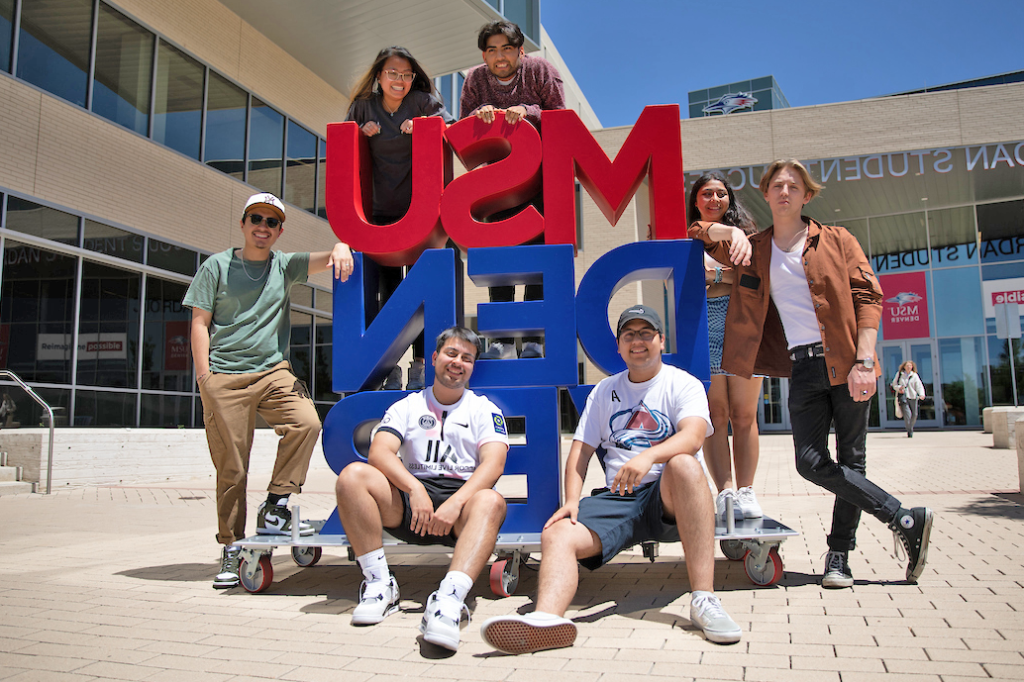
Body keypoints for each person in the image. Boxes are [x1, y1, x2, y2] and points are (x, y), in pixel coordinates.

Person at [691, 159, 934, 589]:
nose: (785, 192)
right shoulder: (757, 247)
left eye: (794, 186)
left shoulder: (838, 240)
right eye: (776, 186)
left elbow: (868, 295)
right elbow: (697, 237)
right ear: (765, 195)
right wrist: (723, 231)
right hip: (802, 365)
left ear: (807, 195)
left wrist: (864, 359)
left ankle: (839, 555)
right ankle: (902, 517)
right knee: (809, 463)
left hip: (848, 363)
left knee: (851, 460)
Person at [480, 305, 742, 652]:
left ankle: (704, 600)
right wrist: (571, 502)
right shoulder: (605, 391)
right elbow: (580, 453)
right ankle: (546, 621)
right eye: (629, 335)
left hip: (670, 498)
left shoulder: (683, 384)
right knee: (558, 532)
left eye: (646, 333)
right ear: (618, 347)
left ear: (661, 341)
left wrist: (648, 455)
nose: (638, 341)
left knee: (684, 465)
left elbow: (694, 437)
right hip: (618, 497)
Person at [184, 192, 354, 589]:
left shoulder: (284, 265)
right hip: (224, 377)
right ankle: (231, 545)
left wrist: (342, 246)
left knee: (307, 422)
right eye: (256, 219)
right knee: (232, 469)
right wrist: (204, 378)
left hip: (274, 372)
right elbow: (198, 323)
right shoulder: (217, 266)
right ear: (243, 224)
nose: (263, 227)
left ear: (279, 231)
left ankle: (275, 502)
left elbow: (330, 255)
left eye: (272, 222)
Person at [334, 326, 509, 651]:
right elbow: (380, 452)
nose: (458, 362)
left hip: (460, 510)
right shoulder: (408, 405)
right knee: (352, 476)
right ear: (434, 358)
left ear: (472, 366)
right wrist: (414, 490)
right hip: (409, 505)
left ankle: (448, 601)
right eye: (451, 354)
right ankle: (379, 585)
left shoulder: (484, 409)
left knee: (491, 501)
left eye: (467, 358)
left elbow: (493, 465)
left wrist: (456, 503)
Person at [347, 46, 455, 390]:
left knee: (424, 294)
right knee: (389, 295)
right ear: (379, 75)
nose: (400, 80)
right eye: (393, 73)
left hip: (422, 213)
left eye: (406, 74)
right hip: (380, 215)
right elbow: (342, 145)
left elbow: (451, 129)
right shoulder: (364, 105)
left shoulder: (422, 101)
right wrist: (357, 135)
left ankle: (421, 367)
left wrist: (428, 126)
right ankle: (388, 367)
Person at [459, 20, 565, 360]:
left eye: (507, 48)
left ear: (520, 49)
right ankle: (503, 340)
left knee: (537, 257)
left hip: (541, 177)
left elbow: (560, 116)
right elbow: (464, 123)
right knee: (501, 258)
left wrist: (528, 110)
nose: (500, 56)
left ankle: (533, 338)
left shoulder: (540, 71)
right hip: (499, 180)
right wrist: (480, 113)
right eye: (492, 50)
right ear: (483, 54)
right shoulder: (475, 79)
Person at [686, 172, 763, 520]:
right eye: (707, 193)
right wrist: (727, 270)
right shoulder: (690, 233)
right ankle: (726, 492)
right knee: (716, 416)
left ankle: (746, 492)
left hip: (743, 322)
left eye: (721, 193)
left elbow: (756, 275)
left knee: (744, 415)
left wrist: (713, 273)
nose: (715, 199)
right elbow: (702, 235)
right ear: (696, 200)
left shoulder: (749, 236)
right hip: (705, 322)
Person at [891, 361, 926, 437]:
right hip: (903, 396)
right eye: (907, 365)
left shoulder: (914, 375)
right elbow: (894, 384)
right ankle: (910, 431)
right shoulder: (900, 374)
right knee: (908, 415)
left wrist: (921, 394)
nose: (909, 367)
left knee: (915, 414)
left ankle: (910, 427)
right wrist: (899, 387)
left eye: (910, 366)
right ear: (904, 366)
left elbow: (919, 386)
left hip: (912, 396)